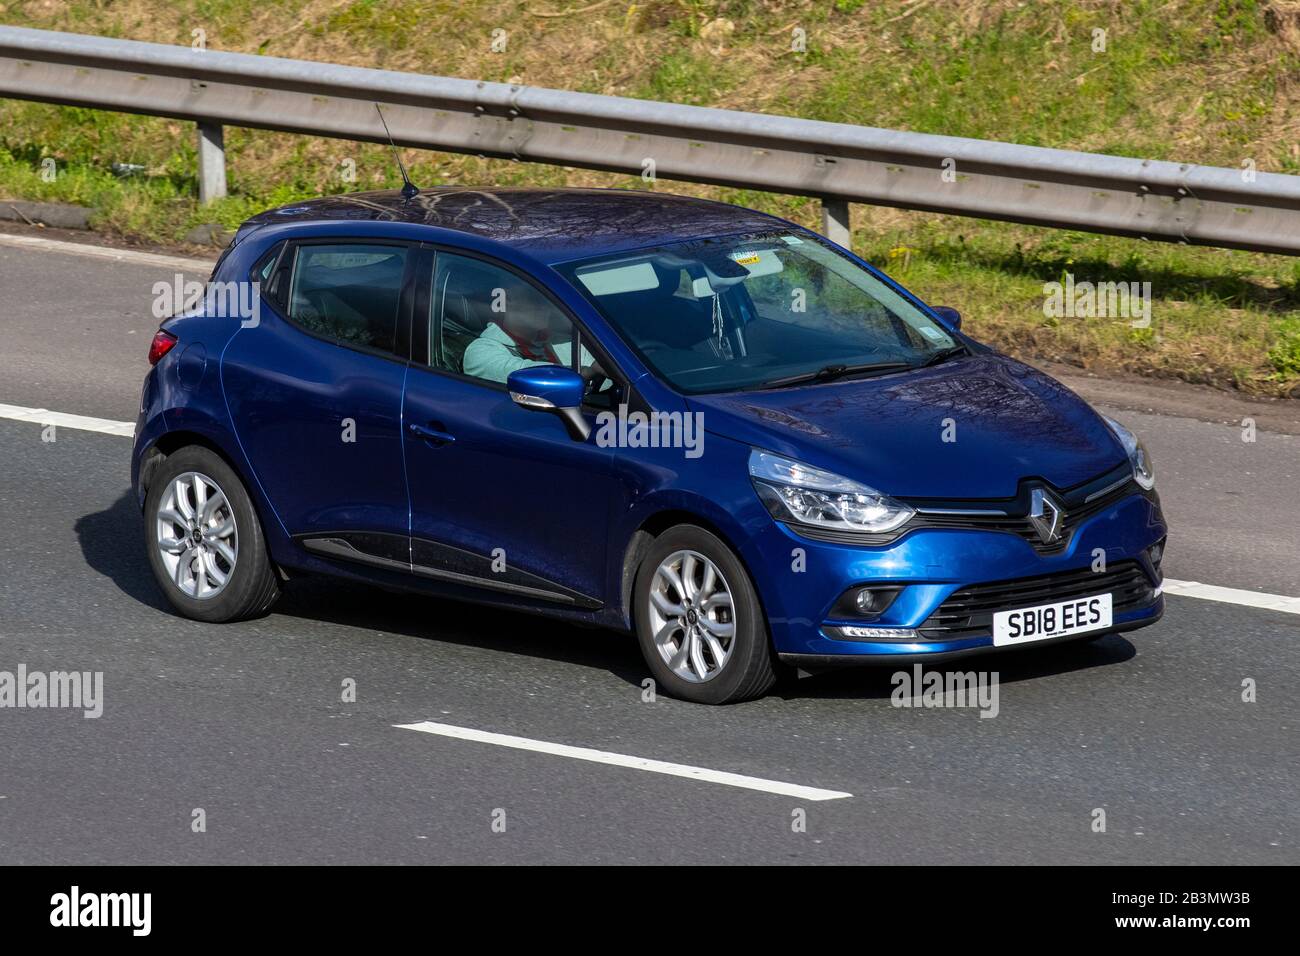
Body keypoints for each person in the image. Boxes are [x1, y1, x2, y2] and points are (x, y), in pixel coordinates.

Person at [463, 277, 599, 384]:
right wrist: (588, 371)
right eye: (534, 296)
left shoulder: (565, 342)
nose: (545, 305)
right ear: (507, 299)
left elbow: (606, 367)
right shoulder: (480, 352)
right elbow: (525, 374)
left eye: (549, 298)